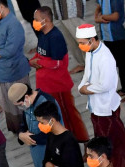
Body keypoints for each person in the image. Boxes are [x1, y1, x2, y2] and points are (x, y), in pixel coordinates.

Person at [75, 24, 125, 167]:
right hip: (96, 106)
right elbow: (87, 75)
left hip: (107, 107)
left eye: (83, 42)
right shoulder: (90, 52)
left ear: (92, 40)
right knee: (102, 141)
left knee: (114, 142)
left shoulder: (105, 56)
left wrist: (86, 90)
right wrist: (81, 87)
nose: (81, 45)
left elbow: (106, 85)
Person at [32, 7, 89, 142]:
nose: (34, 22)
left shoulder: (56, 37)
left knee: (69, 116)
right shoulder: (42, 34)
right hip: (46, 87)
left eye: (36, 20)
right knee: (57, 118)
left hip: (58, 87)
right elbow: (39, 53)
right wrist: (32, 61)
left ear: (45, 21)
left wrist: (39, 62)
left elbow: (59, 64)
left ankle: (82, 140)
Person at [0, 0, 32, 133]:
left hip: (15, 70)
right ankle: (17, 128)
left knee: (21, 102)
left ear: (1, 7)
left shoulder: (13, 24)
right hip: (3, 71)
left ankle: (26, 128)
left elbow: (11, 49)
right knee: (9, 104)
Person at [94, 0, 125, 99]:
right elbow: (99, 5)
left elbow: (115, 16)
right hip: (107, 36)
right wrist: (97, 16)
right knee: (118, 63)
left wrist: (101, 18)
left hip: (116, 35)